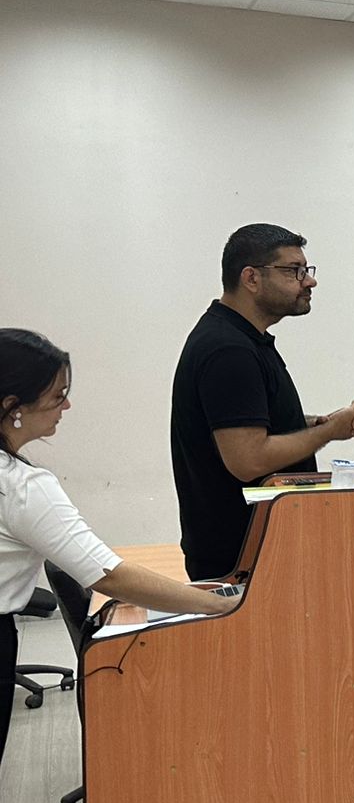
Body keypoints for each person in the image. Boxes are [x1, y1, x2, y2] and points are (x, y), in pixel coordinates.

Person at [4, 328, 246, 771]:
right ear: (13, 406)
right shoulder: (21, 487)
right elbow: (109, 576)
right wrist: (219, 604)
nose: (66, 406)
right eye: (57, 396)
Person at [170, 223, 354, 578]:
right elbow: (248, 459)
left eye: (306, 270)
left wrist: (315, 424)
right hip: (243, 559)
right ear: (251, 278)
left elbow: (246, 423)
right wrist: (328, 433)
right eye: (294, 271)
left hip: (261, 550)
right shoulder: (229, 350)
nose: (309, 281)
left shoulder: (241, 339)